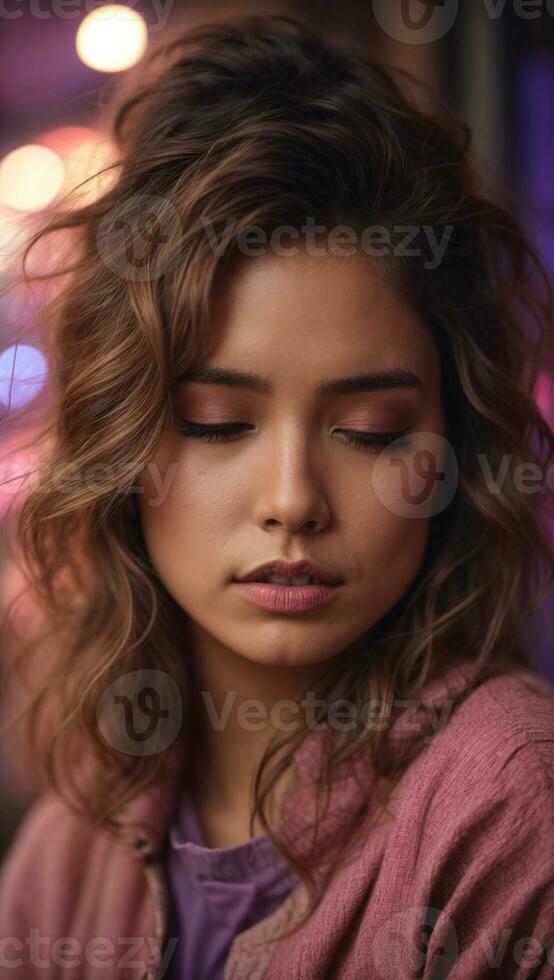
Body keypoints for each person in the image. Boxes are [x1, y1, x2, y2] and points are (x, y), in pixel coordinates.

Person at [0, 14, 553, 980]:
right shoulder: (66, 854)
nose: (293, 500)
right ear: (120, 444)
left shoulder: (511, 815)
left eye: (372, 429)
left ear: (450, 450)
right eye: (217, 422)